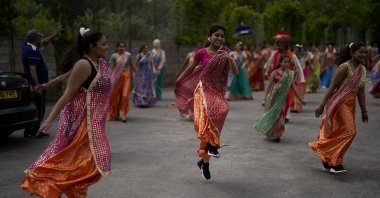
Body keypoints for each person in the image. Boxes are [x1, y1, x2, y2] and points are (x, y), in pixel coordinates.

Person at [21, 27, 112, 197]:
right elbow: (67, 95)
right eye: (103, 44)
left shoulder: (100, 64)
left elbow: (65, 76)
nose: (107, 47)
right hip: (84, 128)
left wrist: (47, 85)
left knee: (86, 168)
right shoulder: (84, 64)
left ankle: (73, 191)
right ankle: (50, 184)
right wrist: (48, 120)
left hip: (96, 126)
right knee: (81, 167)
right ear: (92, 46)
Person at [177, 24, 238, 180]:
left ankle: (205, 161)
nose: (219, 38)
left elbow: (236, 73)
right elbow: (191, 69)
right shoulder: (201, 53)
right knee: (206, 124)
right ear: (209, 37)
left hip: (217, 91)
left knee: (222, 109)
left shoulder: (225, 53)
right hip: (203, 91)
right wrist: (179, 80)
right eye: (216, 35)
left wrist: (230, 59)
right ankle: (211, 150)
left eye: (222, 36)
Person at [309, 42, 368, 174]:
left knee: (339, 132)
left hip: (351, 104)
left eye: (365, 52)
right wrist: (322, 105)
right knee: (351, 131)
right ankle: (335, 162)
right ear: (352, 53)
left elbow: (361, 92)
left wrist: (364, 111)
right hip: (339, 102)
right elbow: (332, 87)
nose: (363, 54)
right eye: (360, 52)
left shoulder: (363, 69)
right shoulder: (345, 67)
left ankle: (326, 160)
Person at [22, 27, 63, 138]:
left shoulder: (28, 46)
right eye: (39, 36)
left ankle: (29, 130)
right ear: (35, 38)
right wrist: (38, 85)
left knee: (35, 106)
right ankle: (35, 131)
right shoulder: (33, 51)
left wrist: (55, 35)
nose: (41, 38)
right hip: (37, 84)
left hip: (34, 83)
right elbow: (32, 69)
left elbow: (45, 41)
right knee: (39, 107)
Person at [254, 55, 305, 142]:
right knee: (272, 116)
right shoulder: (274, 73)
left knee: (281, 118)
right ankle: (271, 134)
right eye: (285, 62)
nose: (287, 64)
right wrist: (264, 99)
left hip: (284, 99)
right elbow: (269, 86)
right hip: (273, 98)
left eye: (288, 62)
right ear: (280, 62)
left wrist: (300, 99)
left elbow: (293, 87)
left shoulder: (290, 74)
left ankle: (277, 135)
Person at [108, 41, 135, 122]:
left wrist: (137, 74)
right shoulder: (114, 56)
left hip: (126, 77)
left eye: (123, 46)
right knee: (114, 96)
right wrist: (108, 78)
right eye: (120, 46)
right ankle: (114, 113)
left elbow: (132, 66)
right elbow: (111, 69)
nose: (122, 48)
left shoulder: (128, 56)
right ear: (117, 47)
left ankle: (123, 114)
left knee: (125, 95)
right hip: (116, 78)